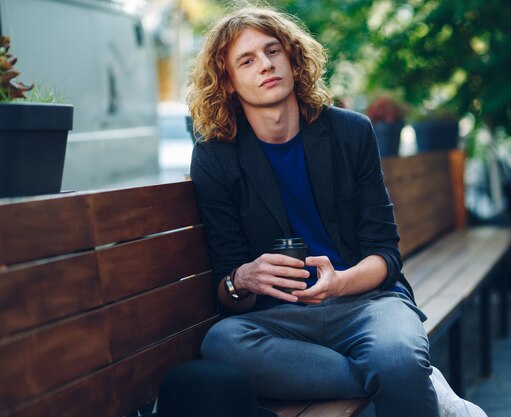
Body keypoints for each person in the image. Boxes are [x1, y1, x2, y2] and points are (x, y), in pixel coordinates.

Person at [188, 5, 487, 417]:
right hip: (281, 320)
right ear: (228, 83)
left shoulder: (350, 132)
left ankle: (402, 368)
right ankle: (416, 378)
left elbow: (386, 253)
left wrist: (341, 283)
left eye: (273, 51)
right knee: (221, 343)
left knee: (397, 352)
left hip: (366, 302)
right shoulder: (215, 158)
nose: (266, 65)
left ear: (293, 58)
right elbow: (226, 288)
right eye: (247, 60)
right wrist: (243, 277)